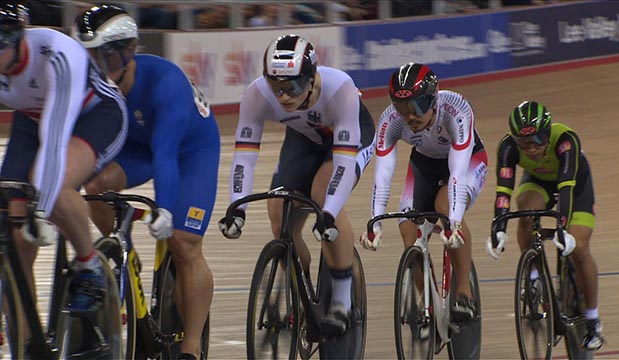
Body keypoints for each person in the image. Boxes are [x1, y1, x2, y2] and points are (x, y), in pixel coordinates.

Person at [71, 5, 221, 360]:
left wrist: (166, 211)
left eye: (103, 56)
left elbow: (165, 156)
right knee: (95, 186)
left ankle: (193, 347)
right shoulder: (87, 84)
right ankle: (122, 255)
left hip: (189, 150)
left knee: (183, 243)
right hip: (135, 144)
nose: (94, 66)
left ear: (128, 52)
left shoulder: (165, 83)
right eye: (88, 55)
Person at [218, 34, 375, 336]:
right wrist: (238, 207)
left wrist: (327, 212)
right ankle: (302, 291)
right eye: (276, 86)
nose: (284, 96)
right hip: (304, 138)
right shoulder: (257, 94)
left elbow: (342, 166)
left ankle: (342, 301)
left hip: (349, 138)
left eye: (293, 86)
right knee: (279, 213)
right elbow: (244, 159)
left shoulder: (339, 89)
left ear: (312, 77)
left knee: (321, 192)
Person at [0, 1, 128, 320]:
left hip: (94, 115)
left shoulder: (57, 54)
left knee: (53, 189)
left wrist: (41, 211)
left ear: (17, 41)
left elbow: (55, 140)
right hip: (31, 119)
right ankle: (30, 346)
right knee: (14, 242)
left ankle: (89, 266)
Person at [360, 62, 488, 323]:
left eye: (416, 107)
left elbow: (457, 172)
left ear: (433, 100)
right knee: (407, 225)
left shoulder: (456, 110)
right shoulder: (391, 121)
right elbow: (383, 173)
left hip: (467, 162)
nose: (410, 117)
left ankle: (463, 291)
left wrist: (452, 222)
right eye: (401, 108)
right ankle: (426, 301)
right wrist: (375, 221)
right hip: (425, 163)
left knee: (444, 205)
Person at [486, 101, 605, 351]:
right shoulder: (508, 148)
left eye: (536, 141)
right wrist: (498, 228)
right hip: (539, 182)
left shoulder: (565, 141)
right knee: (526, 211)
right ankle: (533, 276)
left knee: (579, 247)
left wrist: (563, 227)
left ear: (547, 131)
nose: (530, 149)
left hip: (574, 184)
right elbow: (503, 191)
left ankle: (593, 319)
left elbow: (566, 187)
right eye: (524, 142)